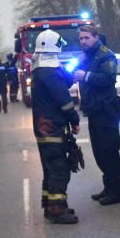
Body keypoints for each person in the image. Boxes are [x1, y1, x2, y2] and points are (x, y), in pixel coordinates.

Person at [32, 29, 81, 224]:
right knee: (59, 168)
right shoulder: (49, 73)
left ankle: (49, 203)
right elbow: (64, 100)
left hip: (45, 126)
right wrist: (75, 119)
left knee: (50, 168)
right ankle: (57, 209)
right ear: (55, 47)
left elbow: (65, 80)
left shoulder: (41, 70)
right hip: (51, 127)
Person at [73, 25, 120, 205]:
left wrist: (86, 76)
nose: (83, 41)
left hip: (106, 111)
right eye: (81, 39)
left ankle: (117, 191)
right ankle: (108, 186)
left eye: (86, 38)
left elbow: (108, 79)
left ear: (95, 37)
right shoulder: (86, 56)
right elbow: (75, 73)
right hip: (94, 111)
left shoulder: (106, 55)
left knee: (109, 151)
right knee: (99, 152)